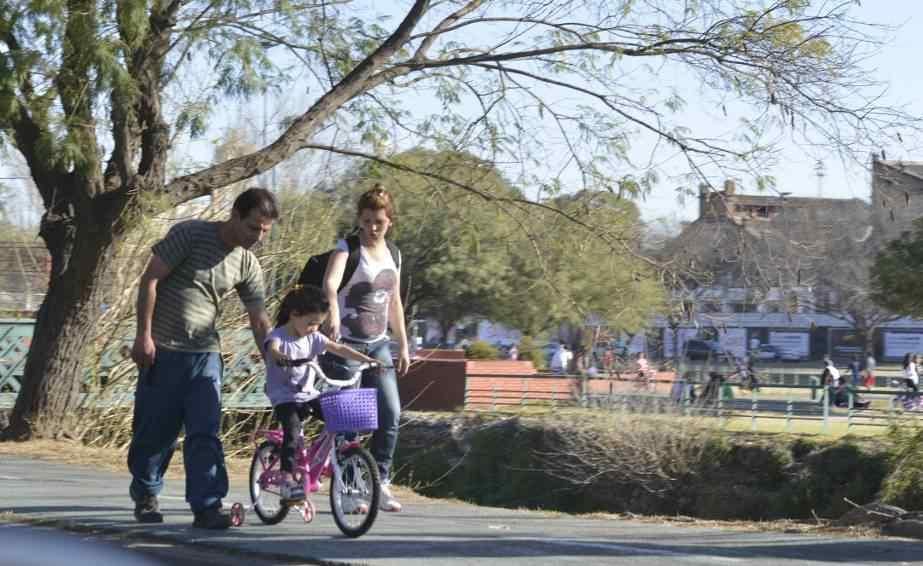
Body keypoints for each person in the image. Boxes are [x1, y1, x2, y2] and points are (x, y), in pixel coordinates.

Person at [127, 188, 279, 529]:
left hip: (205, 355)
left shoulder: (247, 262)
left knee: (205, 432)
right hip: (163, 351)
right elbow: (150, 279)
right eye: (254, 227)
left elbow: (258, 318)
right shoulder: (190, 235)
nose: (259, 237)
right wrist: (143, 336)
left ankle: (207, 505)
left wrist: (274, 361)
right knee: (155, 433)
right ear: (236, 215)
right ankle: (147, 494)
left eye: (266, 231)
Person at [322, 184, 410, 513]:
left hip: (378, 345)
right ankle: (349, 488)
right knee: (351, 421)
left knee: (391, 412)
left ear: (390, 222)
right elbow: (330, 285)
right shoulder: (348, 247)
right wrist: (332, 310)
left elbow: (394, 302)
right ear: (359, 218)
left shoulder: (394, 255)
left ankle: (381, 481)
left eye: (380, 222)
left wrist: (402, 344)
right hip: (345, 345)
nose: (372, 227)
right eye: (367, 220)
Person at [263, 285, 378, 503]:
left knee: (338, 417)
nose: (314, 327)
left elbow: (339, 348)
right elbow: (273, 348)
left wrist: (368, 360)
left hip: (308, 393)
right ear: (294, 314)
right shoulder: (278, 336)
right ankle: (287, 477)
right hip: (284, 396)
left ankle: (328, 457)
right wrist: (279, 356)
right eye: (310, 323)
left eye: (318, 323)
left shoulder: (313, 337)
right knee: (293, 430)